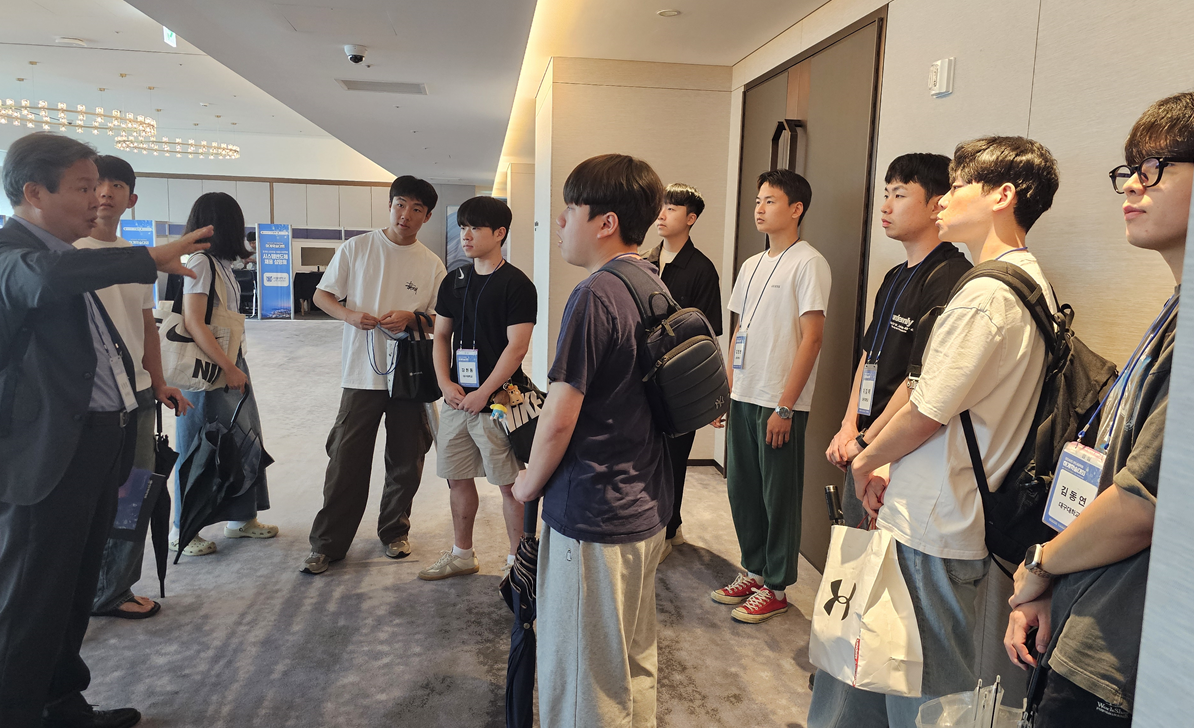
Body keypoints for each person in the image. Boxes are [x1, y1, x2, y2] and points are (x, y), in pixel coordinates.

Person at [808, 136, 1061, 727]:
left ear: (1002, 196)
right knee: (873, 673)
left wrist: (866, 459)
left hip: (934, 526)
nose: (945, 198)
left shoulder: (984, 295)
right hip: (934, 516)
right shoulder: (1025, 283)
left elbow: (926, 409)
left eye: (959, 185)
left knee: (924, 697)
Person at [0, 131, 211, 728]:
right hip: (45, 459)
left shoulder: (68, 257)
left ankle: (62, 704)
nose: (99, 199)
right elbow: (43, 280)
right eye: (84, 187)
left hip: (95, 446)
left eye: (101, 186)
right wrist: (148, 258)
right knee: (31, 601)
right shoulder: (14, 254)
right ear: (34, 192)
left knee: (72, 593)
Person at [1004, 92, 1193, 727]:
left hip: (1123, 641)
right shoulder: (1174, 308)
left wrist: (1041, 564)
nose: (1133, 186)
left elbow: (1143, 503)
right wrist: (1058, 578)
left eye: (1155, 168)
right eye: (1131, 170)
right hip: (1089, 605)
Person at [512, 153, 672, 727]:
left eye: (570, 208)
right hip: (643, 502)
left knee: (583, 677)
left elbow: (560, 415)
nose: (559, 221)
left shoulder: (595, 294)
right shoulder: (650, 283)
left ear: (606, 222)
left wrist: (527, 483)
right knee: (629, 660)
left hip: (594, 512)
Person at [301, 175, 447, 575]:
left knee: (407, 458)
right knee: (345, 459)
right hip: (361, 373)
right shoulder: (357, 248)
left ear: (427, 216)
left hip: (410, 374)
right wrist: (349, 314)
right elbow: (321, 295)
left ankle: (394, 531)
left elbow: (443, 320)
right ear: (390, 205)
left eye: (417, 209)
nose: (406, 215)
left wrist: (414, 318)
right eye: (400, 205)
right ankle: (327, 544)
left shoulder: (431, 264)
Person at [710, 169, 831, 624]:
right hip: (744, 394)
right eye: (758, 200)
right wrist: (725, 392)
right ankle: (754, 570)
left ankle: (776, 587)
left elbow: (812, 338)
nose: (760, 208)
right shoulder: (751, 265)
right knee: (742, 490)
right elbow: (739, 330)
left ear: (796, 209)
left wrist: (786, 405)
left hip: (779, 401)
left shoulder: (809, 263)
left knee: (777, 496)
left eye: (771, 201)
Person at [825, 154, 971, 528]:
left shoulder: (949, 277)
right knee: (853, 551)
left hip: (901, 452)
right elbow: (868, 354)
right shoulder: (894, 276)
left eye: (900, 195)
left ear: (937, 204)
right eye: (886, 194)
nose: (886, 207)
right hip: (865, 444)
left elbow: (920, 379)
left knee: (881, 556)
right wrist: (848, 425)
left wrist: (866, 443)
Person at [76, 156, 193, 618]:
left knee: (134, 492)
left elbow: (147, 326)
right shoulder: (69, 253)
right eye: (96, 184)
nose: (105, 192)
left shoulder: (138, 257)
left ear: (132, 198)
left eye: (117, 185)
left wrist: (159, 381)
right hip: (88, 401)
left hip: (139, 394)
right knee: (87, 498)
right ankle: (77, 590)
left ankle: (115, 588)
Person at [419, 196, 536, 581]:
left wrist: (484, 392)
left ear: (499, 233)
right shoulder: (455, 281)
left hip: (499, 401)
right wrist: (444, 383)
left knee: (510, 485)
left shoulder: (517, 284)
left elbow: (517, 347)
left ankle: (518, 561)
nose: (465, 235)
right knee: (456, 477)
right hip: (457, 399)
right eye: (462, 227)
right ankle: (462, 554)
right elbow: (441, 336)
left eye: (475, 228)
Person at [169, 192, 277, 556]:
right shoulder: (201, 263)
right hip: (207, 371)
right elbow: (193, 321)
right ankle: (183, 528)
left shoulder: (221, 264)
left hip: (229, 362)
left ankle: (241, 518)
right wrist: (228, 367)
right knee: (198, 445)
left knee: (242, 439)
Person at [642, 183, 722, 561]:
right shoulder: (644, 262)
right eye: (661, 206)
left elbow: (707, 335)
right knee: (646, 457)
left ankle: (669, 529)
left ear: (690, 219)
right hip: (643, 379)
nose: (662, 214)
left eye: (672, 209)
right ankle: (654, 527)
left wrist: (711, 394)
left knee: (674, 459)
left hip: (679, 382)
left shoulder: (702, 269)